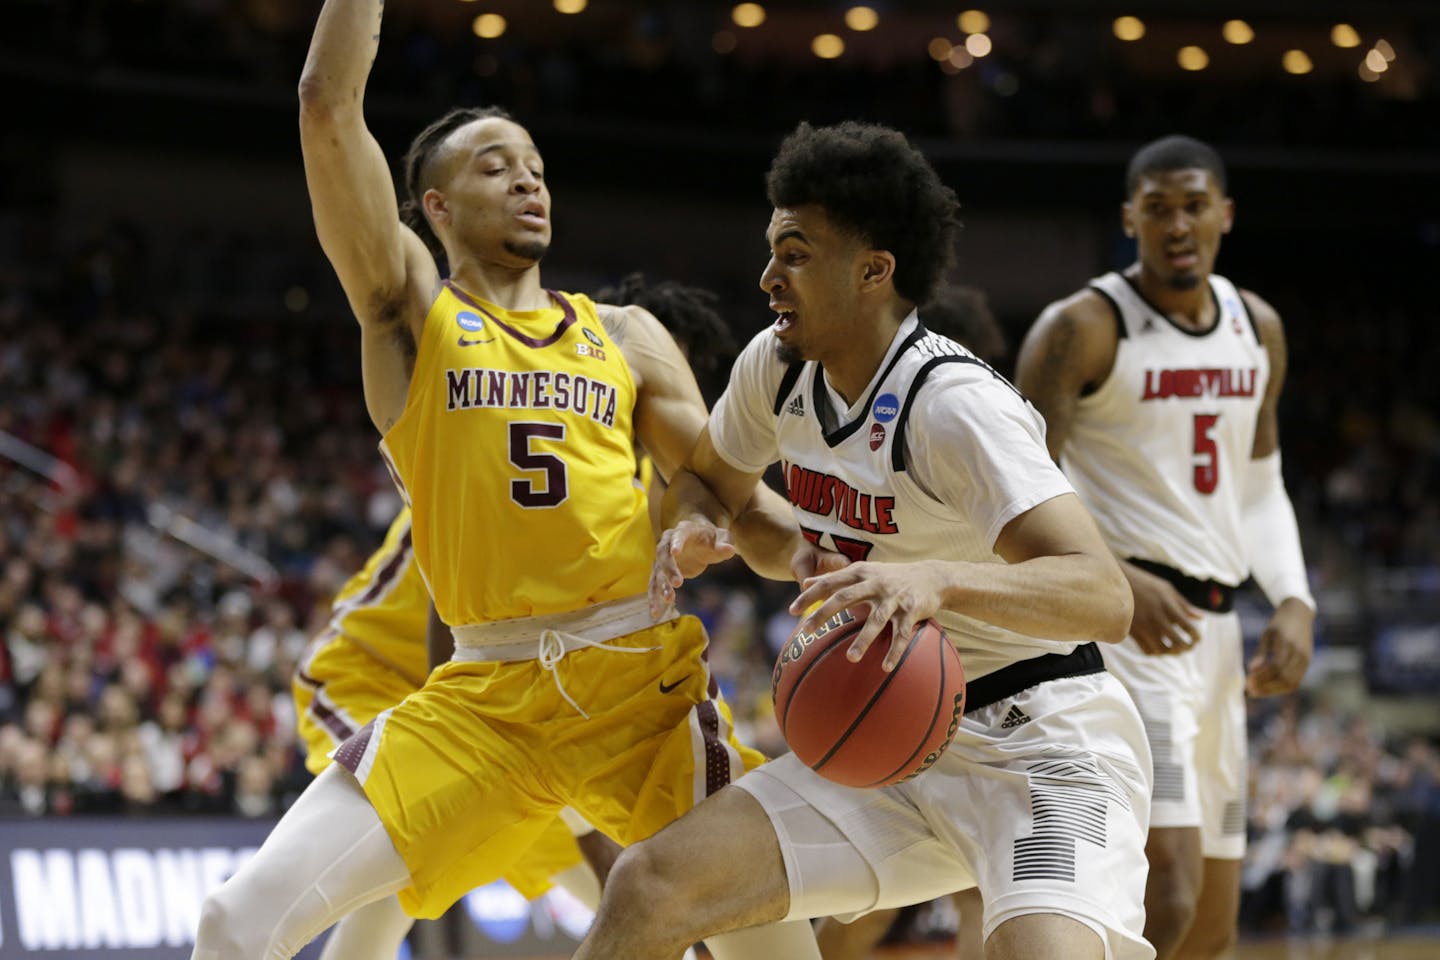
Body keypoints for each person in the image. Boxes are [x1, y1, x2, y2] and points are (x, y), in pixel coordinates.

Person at [190, 1, 822, 957]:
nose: (526, 177)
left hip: (637, 689)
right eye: (493, 165)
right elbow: (326, 103)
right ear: (434, 208)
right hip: (483, 693)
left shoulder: (627, 336)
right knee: (235, 921)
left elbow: (734, 492)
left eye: (533, 164)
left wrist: (814, 557)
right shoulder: (412, 312)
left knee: (772, 943)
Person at [574, 120, 1155, 960]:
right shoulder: (775, 368)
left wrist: (936, 582)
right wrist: (693, 523)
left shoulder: (955, 406)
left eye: (796, 254)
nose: (770, 277)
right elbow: (708, 476)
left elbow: (1104, 596)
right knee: (650, 885)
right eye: (773, 250)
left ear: (874, 271)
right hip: (892, 739)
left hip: (1038, 739)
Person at [288, 275, 740, 960]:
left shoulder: (648, 489)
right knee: (399, 863)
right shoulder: (508, 428)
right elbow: (454, 617)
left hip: (510, 701)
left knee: (624, 896)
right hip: (376, 676)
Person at [1014, 134, 1316, 959]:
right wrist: (1110, 578)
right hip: (1125, 632)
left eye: (1193, 205)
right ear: (1129, 219)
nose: (1178, 224)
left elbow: (1258, 488)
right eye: (1158, 209)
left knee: (1214, 924)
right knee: (1167, 890)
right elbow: (1010, 488)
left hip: (1217, 641)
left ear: (1224, 213)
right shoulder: (1080, 328)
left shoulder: (1258, 327)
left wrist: (1293, 597)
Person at [814, 284, 1006, 960]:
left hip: (899, 685)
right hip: (926, 683)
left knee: (867, 905)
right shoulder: (957, 424)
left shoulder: (893, 431)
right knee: (971, 893)